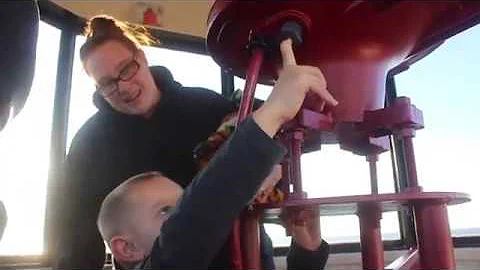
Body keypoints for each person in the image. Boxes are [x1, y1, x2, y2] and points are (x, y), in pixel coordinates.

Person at [49, 14, 332, 269]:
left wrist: (274, 170)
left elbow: (271, 146)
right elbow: (76, 234)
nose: (123, 87)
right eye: (108, 84)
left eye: (126, 69)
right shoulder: (90, 145)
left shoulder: (207, 106)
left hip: (241, 256)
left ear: (142, 57)